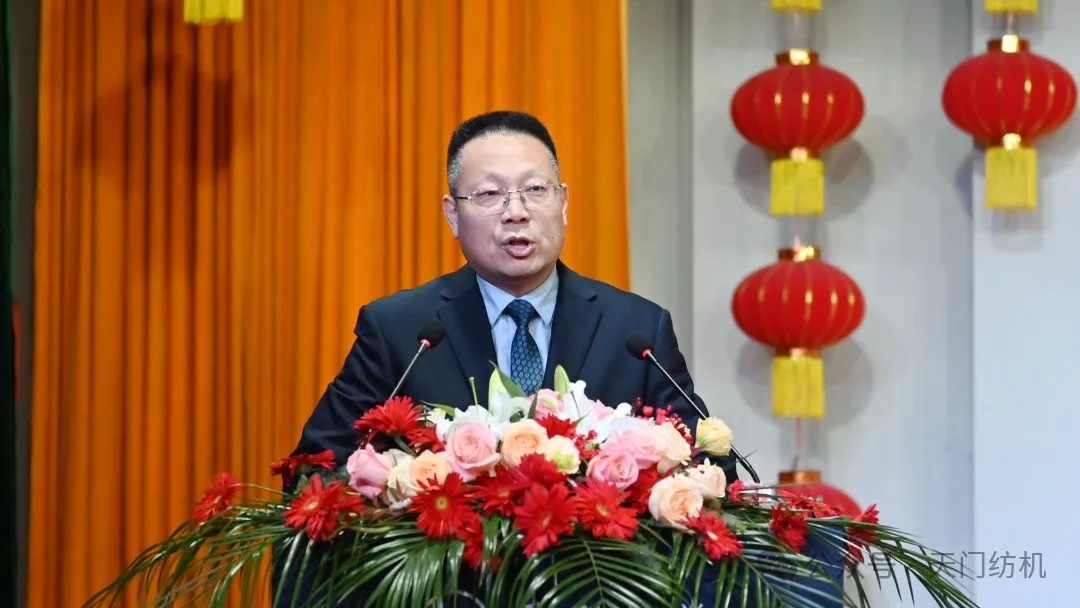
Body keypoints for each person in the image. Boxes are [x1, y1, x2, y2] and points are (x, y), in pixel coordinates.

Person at [274, 110, 739, 607]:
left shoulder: (637, 328)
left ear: (564, 202)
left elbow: (709, 468)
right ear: (452, 214)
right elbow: (316, 470)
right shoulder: (400, 330)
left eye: (535, 190)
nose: (516, 212)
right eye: (489, 194)